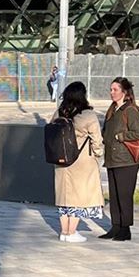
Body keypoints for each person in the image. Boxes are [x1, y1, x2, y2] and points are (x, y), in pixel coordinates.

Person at [51, 81, 104, 243]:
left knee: (64, 197)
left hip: (60, 160)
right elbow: (97, 140)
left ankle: (64, 231)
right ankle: (72, 231)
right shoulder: (88, 115)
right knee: (79, 196)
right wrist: (98, 154)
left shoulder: (59, 112)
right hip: (81, 162)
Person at [102, 75, 139, 242]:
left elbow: (138, 133)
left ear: (124, 92)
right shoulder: (113, 110)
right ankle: (116, 226)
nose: (111, 92)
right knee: (114, 194)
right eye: (111, 89)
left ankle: (125, 229)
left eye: (115, 90)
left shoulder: (130, 110)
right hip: (112, 158)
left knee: (124, 194)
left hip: (127, 160)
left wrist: (121, 136)